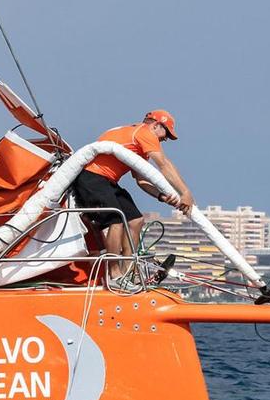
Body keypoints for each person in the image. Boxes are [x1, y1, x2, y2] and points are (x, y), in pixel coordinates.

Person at [72, 110, 194, 285]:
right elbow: (164, 164)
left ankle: (129, 272)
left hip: (107, 181)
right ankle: (115, 275)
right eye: (165, 134)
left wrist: (161, 196)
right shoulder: (144, 132)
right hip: (92, 178)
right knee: (115, 221)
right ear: (156, 125)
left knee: (135, 220)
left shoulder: (134, 141)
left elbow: (141, 179)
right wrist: (185, 193)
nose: (164, 140)